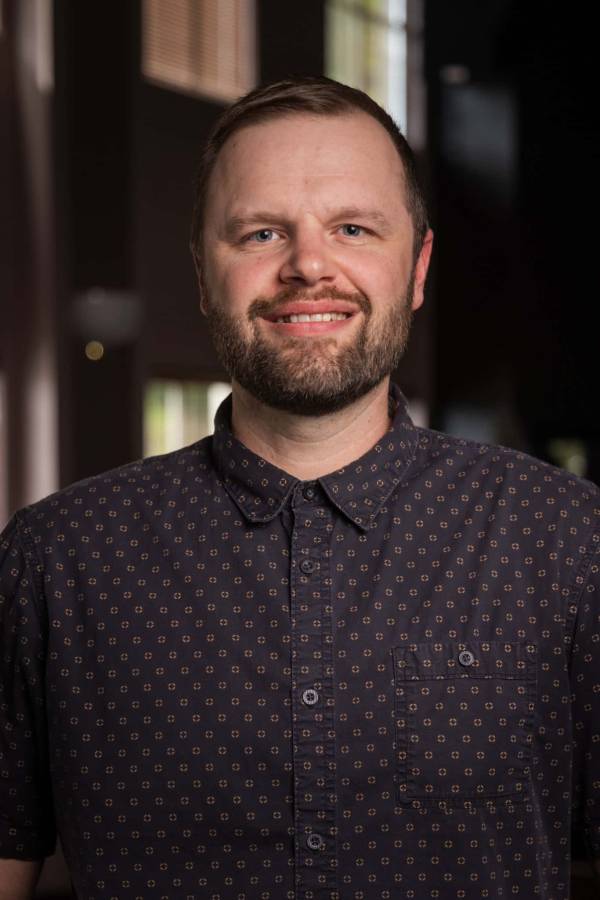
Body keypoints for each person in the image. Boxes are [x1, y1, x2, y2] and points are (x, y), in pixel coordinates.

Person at [0, 75, 598, 900]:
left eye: (353, 228)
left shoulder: (568, 540)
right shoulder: (52, 560)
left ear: (417, 267)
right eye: (259, 233)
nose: (308, 264)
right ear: (204, 275)